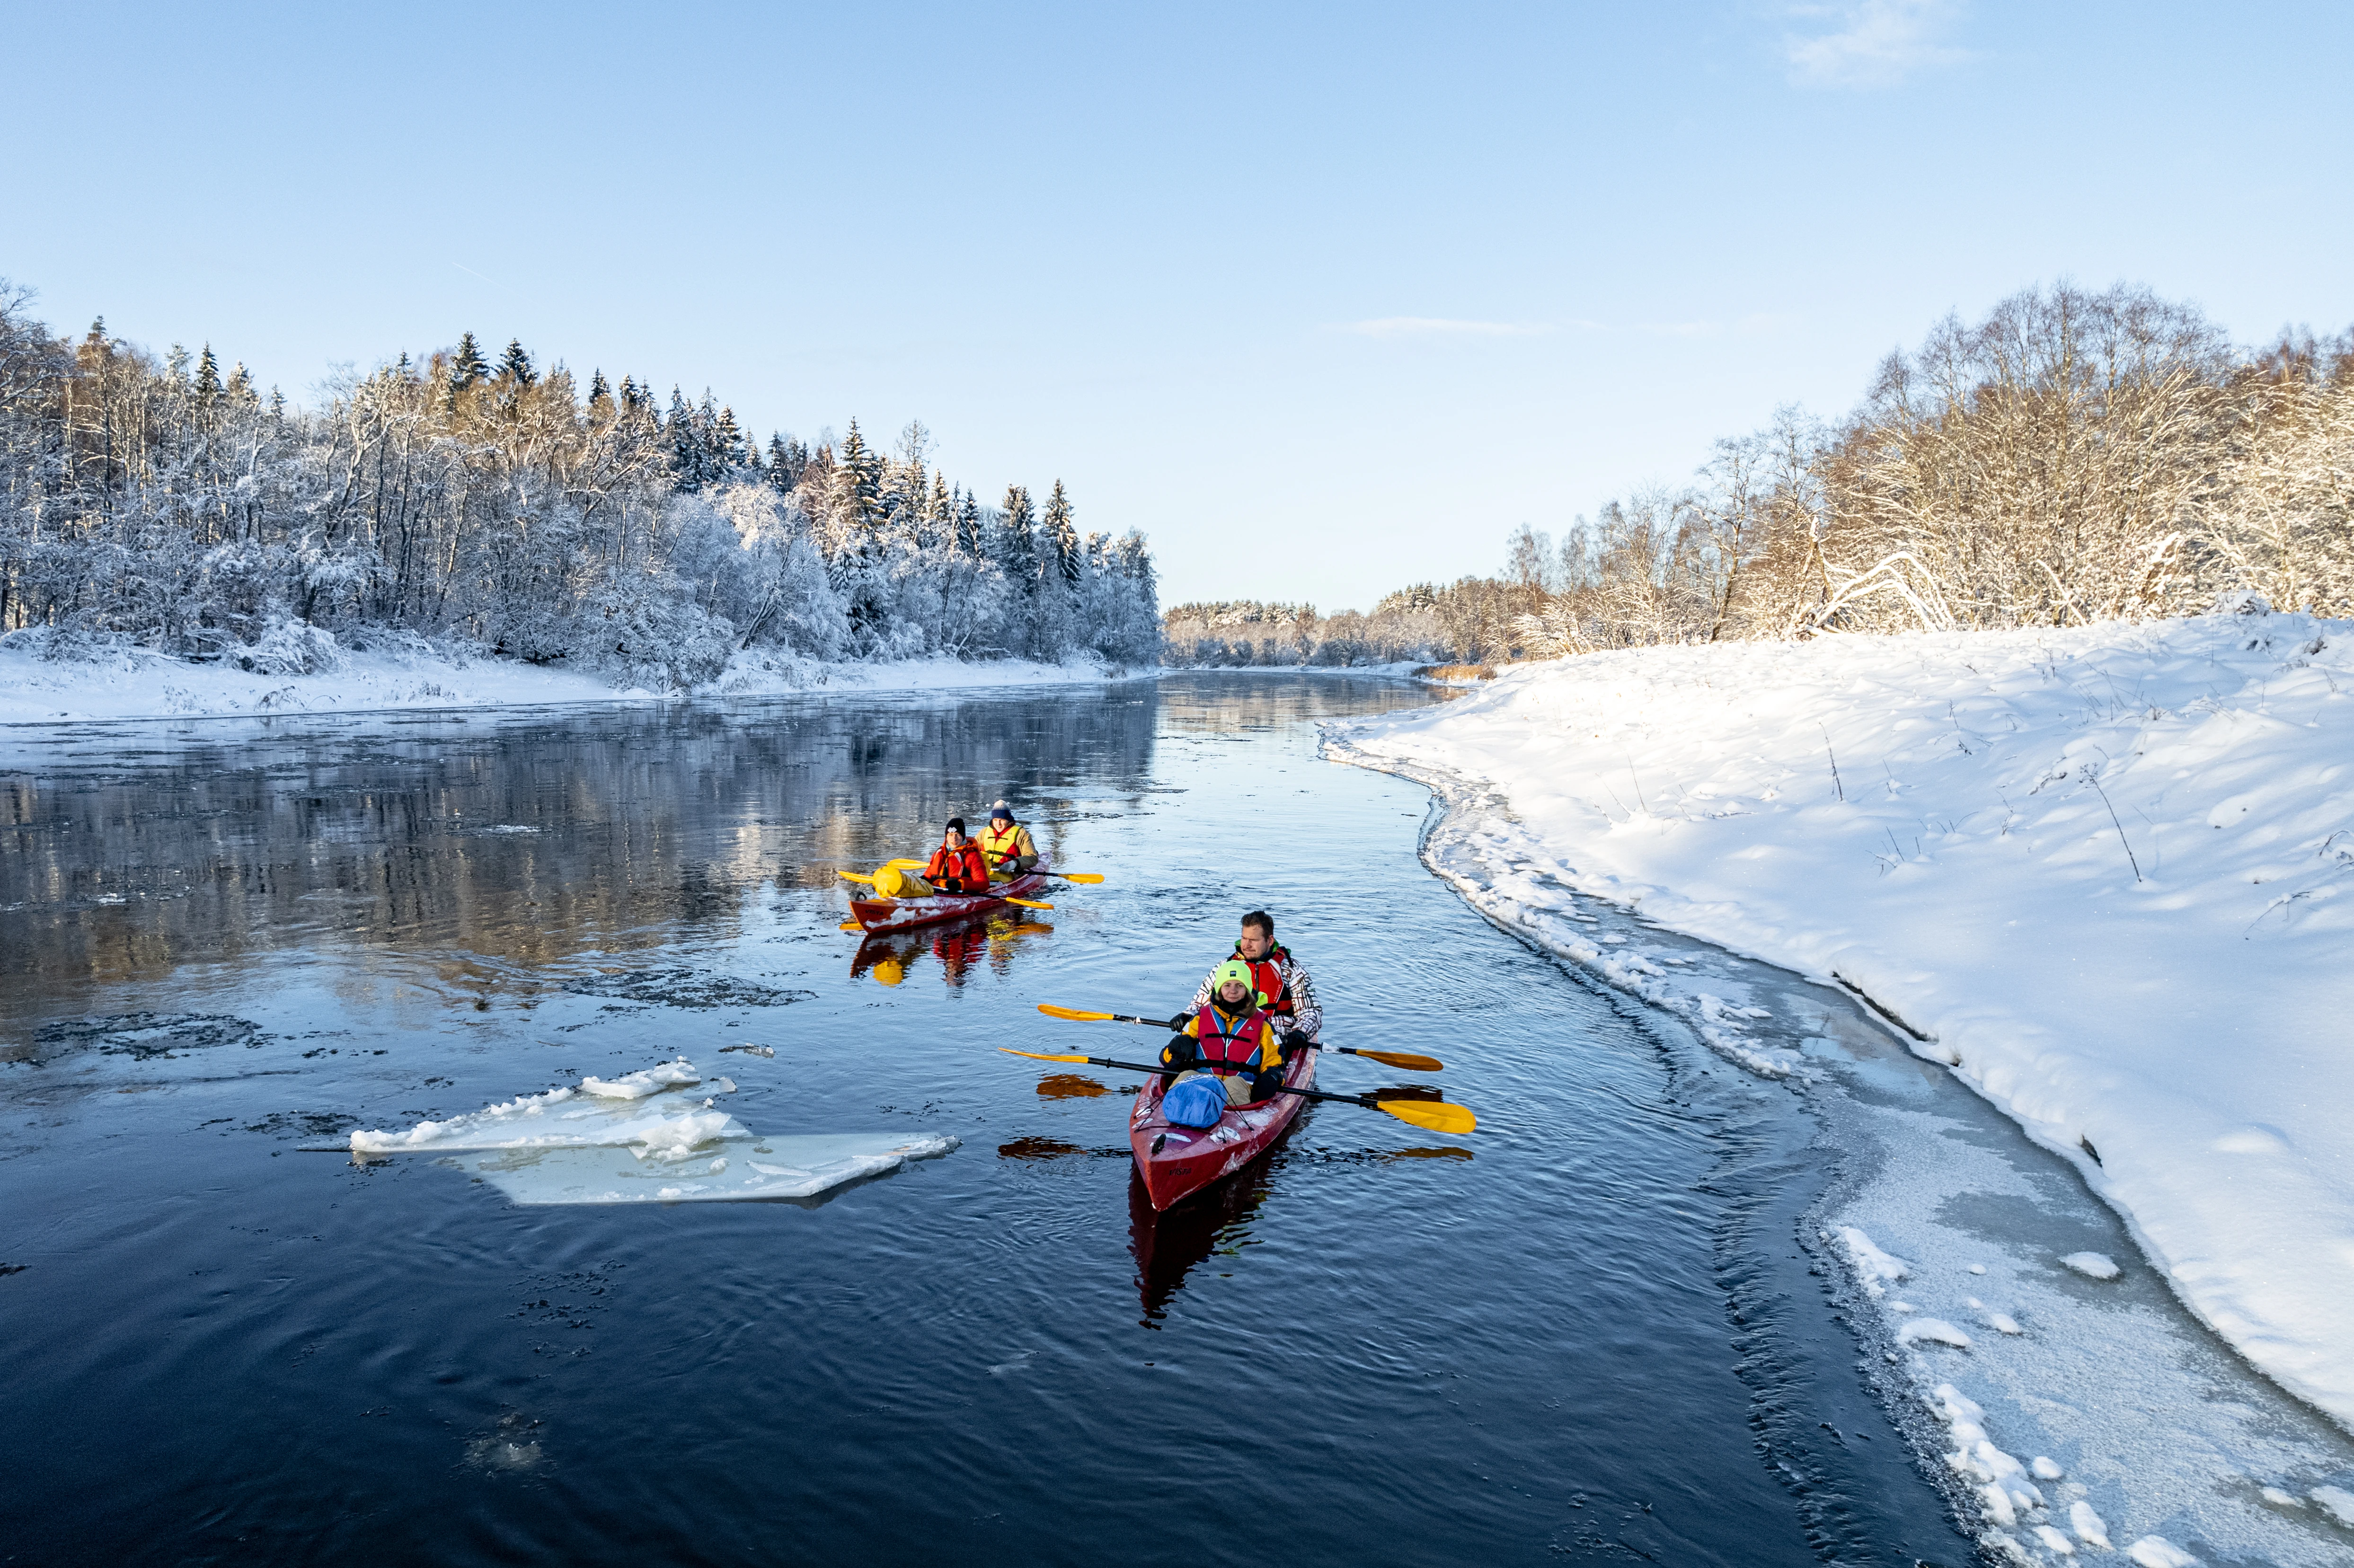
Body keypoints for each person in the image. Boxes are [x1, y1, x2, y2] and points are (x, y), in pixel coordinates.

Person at [1158, 960, 1289, 1107]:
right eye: (1227, 985)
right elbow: (1166, 1059)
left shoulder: (1263, 1026)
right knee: (1186, 1077)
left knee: (1235, 1083)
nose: (1233, 991)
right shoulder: (1200, 1019)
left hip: (1243, 1085)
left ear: (1248, 989)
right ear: (1219, 988)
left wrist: (1273, 1077)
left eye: (1240, 986)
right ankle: (1174, 1114)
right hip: (1203, 1079)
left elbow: (1275, 1062)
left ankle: (1229, 1125)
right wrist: (1177, 1050)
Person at [1188, 909, 1322, 1048]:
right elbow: (1200, 1002)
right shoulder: (1226, 966)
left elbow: (1310, 1012)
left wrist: (1301, 1033)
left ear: (1270, 940)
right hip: (1229, 1034)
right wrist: (1187, 1015)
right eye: (1244, 938)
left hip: (1275, 1038)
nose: (1246, 945)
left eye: (1253, 940)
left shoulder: (1291, 970)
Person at [923, 818, 990, 893]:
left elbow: (984, 884)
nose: (954, 839)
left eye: (957, 835)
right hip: (937, 892)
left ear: (963, 837)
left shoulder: (973, 856)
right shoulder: (939, 853)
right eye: (950, 835)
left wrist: (961, 885)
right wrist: (921, 881)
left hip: (958, 895)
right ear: (946, 837)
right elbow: (928, 875)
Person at [978, 800, 1039, 878]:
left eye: (1002, 820)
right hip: (984, 872)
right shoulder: (984, 832)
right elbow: (971, 850)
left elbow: (1032, 858)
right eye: (995, 820)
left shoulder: (1021, 834)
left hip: (1010, 873)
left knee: (996, 882)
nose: (998, 824)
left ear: (1008, 820)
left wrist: (1014, 864)